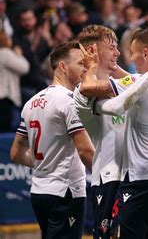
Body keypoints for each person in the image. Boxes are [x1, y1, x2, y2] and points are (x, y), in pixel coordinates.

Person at [79, 26, 148, 238]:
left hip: (141, 176)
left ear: (146, 53)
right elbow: (133, 80)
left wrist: (92, 68)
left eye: (134, 53)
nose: (129, 57)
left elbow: (89, 88)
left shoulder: (143, 83)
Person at [10, 41, 95, 239]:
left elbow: (15, 153)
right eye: (81, 63)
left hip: (40, 191)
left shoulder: (31, 103)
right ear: (63, 67)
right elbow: (85, 151)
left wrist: (45, 163)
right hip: (66, 191)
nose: (85, 68)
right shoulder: (70, 101)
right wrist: (107, 180)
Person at [74, 25, 124, 239]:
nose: (118, 53)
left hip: (130, 176)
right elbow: (90, 86)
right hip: (108, 178)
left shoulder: (116, 84)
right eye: (112, 48)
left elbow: (136, 81)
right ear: (93, 51)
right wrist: (92, 65)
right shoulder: (83, 91)